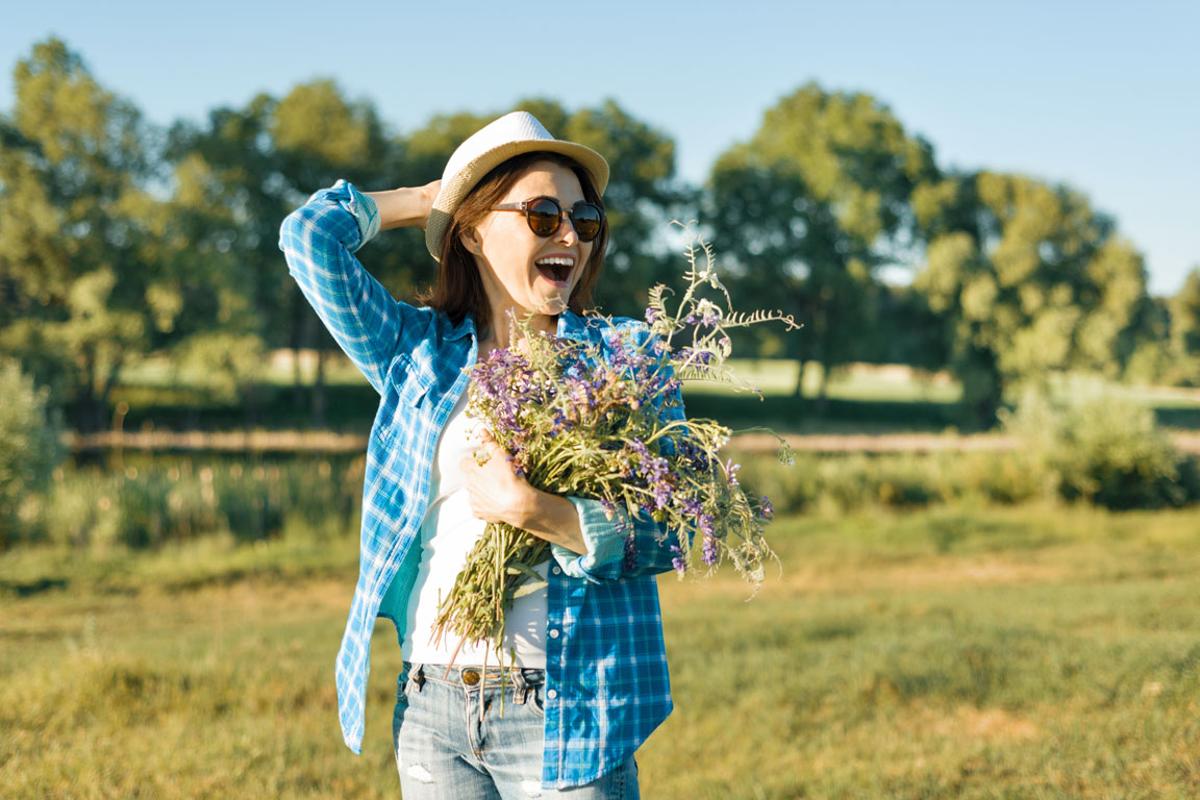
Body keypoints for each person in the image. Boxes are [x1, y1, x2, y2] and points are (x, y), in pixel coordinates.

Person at [278, 111, 690, 799]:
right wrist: (427, 202)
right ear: (474, 230)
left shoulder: (626, 359)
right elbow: (307, 239)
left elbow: (671, 527)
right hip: (432, 703)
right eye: (542, 214)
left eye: (584, 221)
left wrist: (533, 509)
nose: (568, 235)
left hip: (567, 705)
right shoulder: (417, 352)